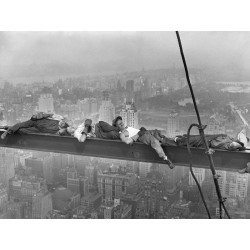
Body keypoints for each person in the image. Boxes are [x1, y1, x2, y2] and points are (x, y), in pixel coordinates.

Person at [0, 112, 70, 139]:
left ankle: (6, 127)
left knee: (22, 130)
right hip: (37, 121)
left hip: (39, 129)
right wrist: (40, 116)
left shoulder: (59, 130)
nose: (62, 122)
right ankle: (6, 132)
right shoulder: (59, 118)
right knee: (20, 124)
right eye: (62, 121)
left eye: (63, 123)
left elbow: (61, 133)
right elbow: (49, 115)